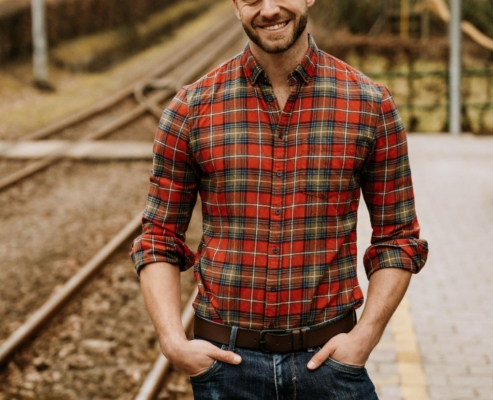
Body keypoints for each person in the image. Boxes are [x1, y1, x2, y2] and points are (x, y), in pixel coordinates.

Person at [130, 0, 429, 398]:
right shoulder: (191, 109)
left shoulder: (370, 105)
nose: (269, 9)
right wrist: (172, 341)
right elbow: (159, 238)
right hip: (226, 367)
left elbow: (398, 237)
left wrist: (365, 337)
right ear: (237, 6)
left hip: (330, 365)